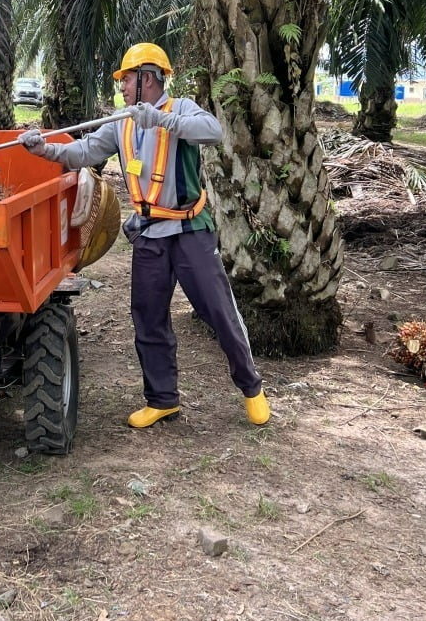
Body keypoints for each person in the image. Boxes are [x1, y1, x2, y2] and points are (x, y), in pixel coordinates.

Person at [20, 43, 270, 429]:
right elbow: (85, 151)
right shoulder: (121, 121)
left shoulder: (181, 109)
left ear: (148, 80)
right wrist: (44, 150)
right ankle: (162, 399)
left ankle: (251, 388)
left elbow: (213, 131)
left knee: (218, 310)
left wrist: (160, 120)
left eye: (127, 80)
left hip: (189, 230)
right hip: (149, 234)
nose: (121, 87)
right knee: (148, 318)